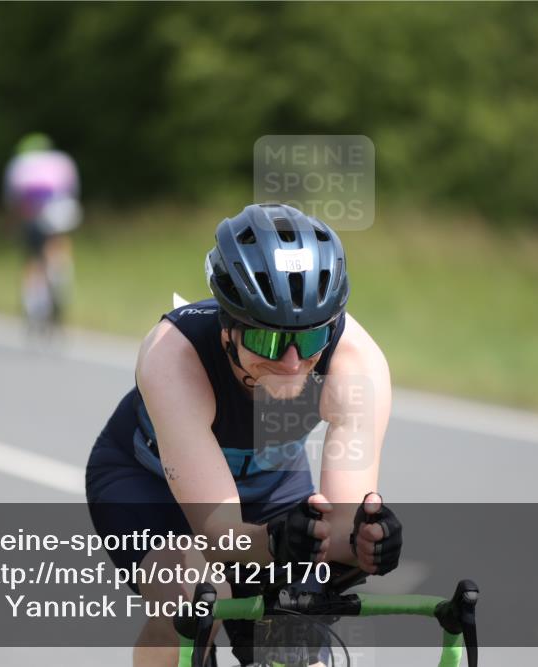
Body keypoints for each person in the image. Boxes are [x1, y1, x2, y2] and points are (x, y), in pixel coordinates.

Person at [86, 203, 403, 666]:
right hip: (148, 484)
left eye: (311, 339)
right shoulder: (173, 355)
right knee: (194, 597)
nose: (292, 361)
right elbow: (218, 532)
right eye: (268, 341)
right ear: (227, 329)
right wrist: (276, 543)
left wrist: (363, 542)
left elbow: (340, 521)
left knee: (298, 627)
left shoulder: (357, 363)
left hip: (272, 485)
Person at [3, 132, 81, 330]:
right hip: (61, 208)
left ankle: (33, 300)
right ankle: (60, 272)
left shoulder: (19, 163)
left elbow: (13, 199)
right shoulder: (62, 160)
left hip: (33, 210)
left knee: (32, 256)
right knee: (58, 242)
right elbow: (72, 191)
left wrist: (12, 225)